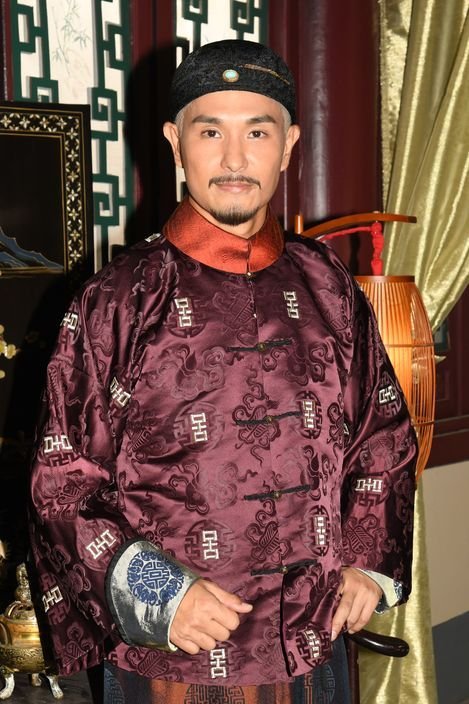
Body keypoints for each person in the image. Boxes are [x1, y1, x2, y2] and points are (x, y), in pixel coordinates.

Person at [29, 40, 417, 703]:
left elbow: (382, 437)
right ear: (175, 144)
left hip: (312, 638)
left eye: (257, 132)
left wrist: (364, 563)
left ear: (288, 146)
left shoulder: (327, 285)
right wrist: (160, 594)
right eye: (210, 132)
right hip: (174, 658)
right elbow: (61, 481)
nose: (235, 159)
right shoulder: (119, 297)